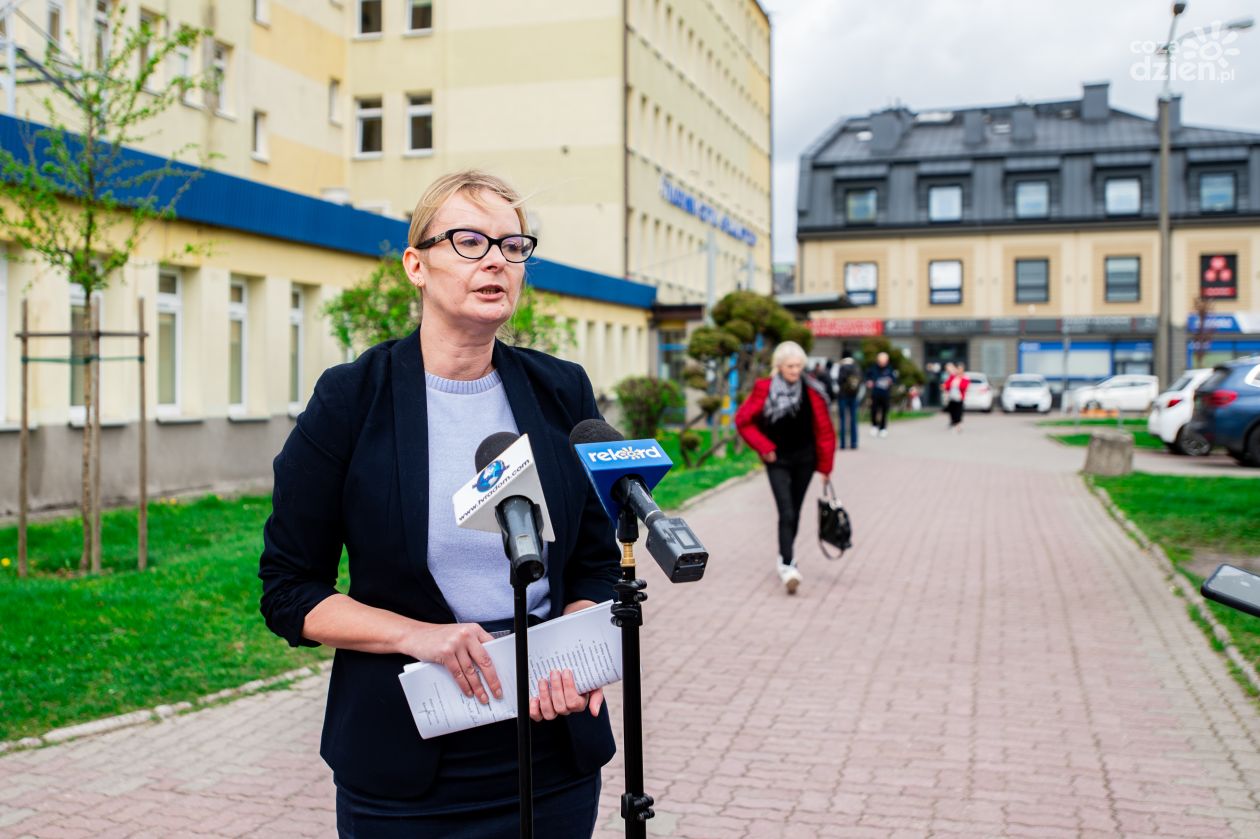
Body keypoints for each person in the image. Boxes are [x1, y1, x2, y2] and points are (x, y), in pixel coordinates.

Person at [259, 170, 619, 837]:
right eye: (469, 240)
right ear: (415, 264)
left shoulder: (560, 390)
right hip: (408, 770)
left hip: (552, 755)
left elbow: (596, 559)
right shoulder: (351, 401)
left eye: (513, 247)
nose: (495, 260)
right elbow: (289, 590)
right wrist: (416, 636)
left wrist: (578, 644)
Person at [735, 341, 836, 595]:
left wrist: (825, 468)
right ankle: (789, 565)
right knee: (786, 511)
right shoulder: (764, 389)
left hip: (805, 459)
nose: (795, 371)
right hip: (777, 460)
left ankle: (785, 557)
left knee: (796, 510)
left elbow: (824, 431)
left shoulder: (812, 390)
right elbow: (743, 421)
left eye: (799, 366)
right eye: (790, 366)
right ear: (779, 366)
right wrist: (764, 447)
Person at [865, 351, 898, 438]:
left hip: (885, 393)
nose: (882, 363)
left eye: (884, 361)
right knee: (874, 410)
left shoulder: (890, 369)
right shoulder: (873, 368)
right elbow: (867, 377)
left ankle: (883, 428)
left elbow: (894, 379)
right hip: (875, 393)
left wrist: (891, 381)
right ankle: (874, 426)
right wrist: (869, 382)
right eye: (881, 361)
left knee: (884, 411)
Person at [835, 355, 863, 450]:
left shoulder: (842, 367)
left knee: (843, 419)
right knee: (853, 419)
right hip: (854, 396)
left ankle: (843, 444)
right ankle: (854, 443)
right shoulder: (856, 368)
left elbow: (839, 381)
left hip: (843, 396)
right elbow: (860, 381)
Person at [943, 361, 970, 433]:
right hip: (952, 397)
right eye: (958, 369)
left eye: (961, 369)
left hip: (959, 397)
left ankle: (958, 426)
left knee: (958, 412)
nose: (959, 370)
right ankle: (953, 423)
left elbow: (964, 387)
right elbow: (947, 385)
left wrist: (959, 381)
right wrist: (945, 386)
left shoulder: (965, 377)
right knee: (952, 411)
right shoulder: (953, 377)